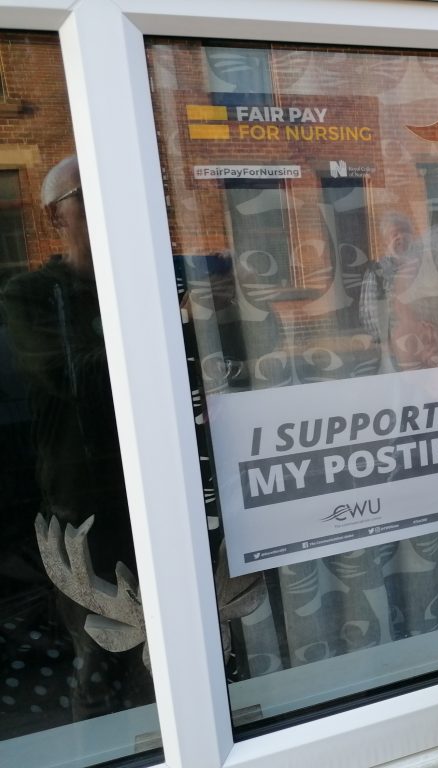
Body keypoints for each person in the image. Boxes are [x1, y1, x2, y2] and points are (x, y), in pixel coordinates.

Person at [3, 156, 152, 719]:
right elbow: (68, 375)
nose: (104, 212)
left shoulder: (141, 283)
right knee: (95, 656)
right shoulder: (32, 295)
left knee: (167, 655)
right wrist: (157, 333)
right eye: (87, 200)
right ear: (52, 218)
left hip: (151, 497)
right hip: (83, 510)